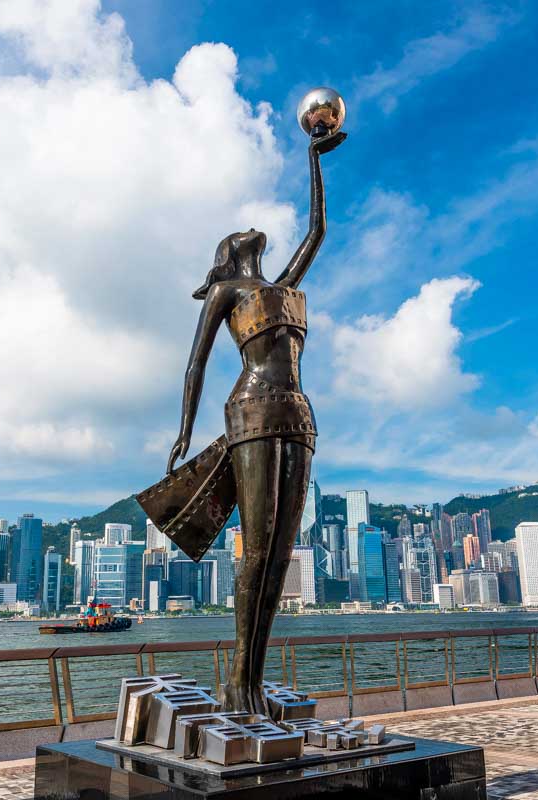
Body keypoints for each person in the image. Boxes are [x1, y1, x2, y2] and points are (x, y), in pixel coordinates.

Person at [137, 126, 346, 715]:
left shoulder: (282, 287)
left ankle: (252, 679)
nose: (251, 228)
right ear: (229, 253)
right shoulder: (227, 290)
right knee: (256, 549)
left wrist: (314, 159)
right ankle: (239, 682)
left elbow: (318, 231)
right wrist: (184, 429)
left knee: (281, 553)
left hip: (297, 416)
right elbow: (194, 363)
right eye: (238, 232)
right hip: (252, 412)